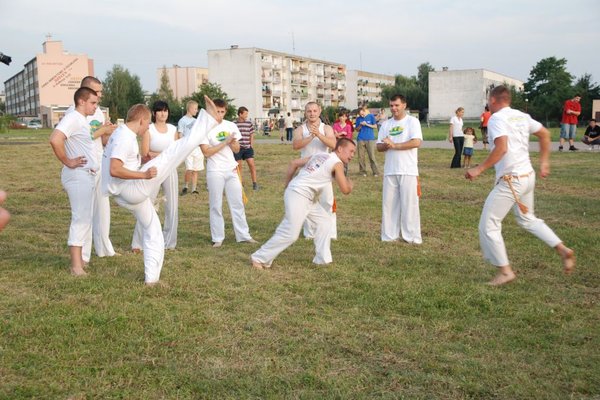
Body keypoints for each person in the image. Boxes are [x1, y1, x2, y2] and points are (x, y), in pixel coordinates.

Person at [465, 85, 575, 286]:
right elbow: (545, 134)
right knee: (527, 219)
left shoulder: (497, 118)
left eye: (489, 100)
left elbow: (502, 148)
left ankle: (505, 272)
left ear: (494, 100)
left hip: (512, 180)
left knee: (489, 224)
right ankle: (563, 250)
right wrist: (544, 162)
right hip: (527, 176)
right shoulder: (521, 116)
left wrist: (479, 169)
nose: (488, 103)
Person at [102, 97, 219, 285]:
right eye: (147, 123)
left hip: (126, 193)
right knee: (174, 152)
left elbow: (111, 154)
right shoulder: (124, 137)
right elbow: (114, 169)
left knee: (153, 230)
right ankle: (209, 119)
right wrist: (145, 175)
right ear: (141, 120)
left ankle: (151, 278)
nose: (148, 128)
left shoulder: (121, 133)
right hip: (132, 189)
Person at [251, 138, 356, 269]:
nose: (352, 155)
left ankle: (322, 259)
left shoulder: (320, 155)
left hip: (304, 196)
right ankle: (259, 258)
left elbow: (294, 163)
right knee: (290, 233)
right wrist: (350, 185)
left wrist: (287, 185)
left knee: (324, 222)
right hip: (299, 195)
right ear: (340, 149)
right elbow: (345, 190)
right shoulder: (337, 163)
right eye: (351, 151)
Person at [66, 76, 118, 262]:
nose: (100, 96)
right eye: (97, 92)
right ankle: (83, 257)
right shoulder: (73, 114)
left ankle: (104, 248)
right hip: (82, 169)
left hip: (98, 165)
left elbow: (99, 140)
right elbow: (72, 137)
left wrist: (108, 132)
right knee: (84, 215)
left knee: (103, 210)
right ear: (85, 93)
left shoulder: (97, 112)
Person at [49, 87, 100, 276]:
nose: (96, 107)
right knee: (80, 218)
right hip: (78, 175)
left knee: (85, 218)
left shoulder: (82, 121)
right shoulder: (73, 118)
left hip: (87, 175)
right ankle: (76, 266)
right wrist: (67, 161)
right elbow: (55, 139)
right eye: (93, 103)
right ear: (81, 101)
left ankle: (81, 261)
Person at [199, 99, 256, 248]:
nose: (219, 114)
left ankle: (243, 235)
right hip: (215, 171)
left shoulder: (231, 126)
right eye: (217, 111)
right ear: (212, 111)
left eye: (222, 111)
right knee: (216, 204)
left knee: (237, 203)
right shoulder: (205, 128)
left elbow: (237, 150)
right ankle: (218, 237)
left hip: (231, 169)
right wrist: (224, 142)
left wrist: (232, 142)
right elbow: (206, 152)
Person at [132, 100, 179, 252]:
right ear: (154, 113)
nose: (163, 113)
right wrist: (166, 155)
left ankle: (169, 242)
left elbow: (177, 151)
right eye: (159, 111)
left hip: (170, 169)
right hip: (152, 170)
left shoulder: (173, 129)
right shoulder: (149, 129)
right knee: (147, 203)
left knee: (172, 205)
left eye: (165, 110)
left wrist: (159, 155)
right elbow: (146, 153)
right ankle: (138, 243)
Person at [376, 94, 423, 244]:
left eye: (396, 105)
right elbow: (378, 147)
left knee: (410, 205)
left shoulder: (412, 122)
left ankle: (412, 236)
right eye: (391, 106)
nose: (394, 108)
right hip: (390, 170)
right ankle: (389, 235)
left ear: (404, 105)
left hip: (408, 170)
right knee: (389, 205)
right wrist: (386, 145)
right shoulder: (386, 125)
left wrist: (395, 145)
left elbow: (416, 142)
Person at [293, 101, 337, 239]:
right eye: (309, 111)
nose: (312, 114)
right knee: (307, 202)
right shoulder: (300, 129)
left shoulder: (327, 128)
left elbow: (333, 144)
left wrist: (318, 134)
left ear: (319, 111)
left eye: (314, 111)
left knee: (327, 201)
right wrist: (311, 136)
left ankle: (330, 232)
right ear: (305, 112)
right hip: (307, 171)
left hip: (324, 170)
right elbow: (296, 145)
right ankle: (310, 233)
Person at [178, 100, 204, 195]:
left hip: (196, 148)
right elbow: (180, 134)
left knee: (195, 169)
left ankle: (194, 189)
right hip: (188, 148)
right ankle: (186, 186)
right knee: (189, 168)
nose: (196, 111)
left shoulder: (196, 121)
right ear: (189, 108)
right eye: (195, 109)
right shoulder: (182, 120)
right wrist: (182, 146)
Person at [234, 106, 259, 190]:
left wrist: (251, 145)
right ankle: (239, 184)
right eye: (245, 114)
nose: (246, 116)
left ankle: (255, 184)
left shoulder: (249, 123)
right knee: (238, 167)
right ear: (240, 114)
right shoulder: (234, 124)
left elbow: (251, 134)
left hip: (248, 148)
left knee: (252, 165)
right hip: (238, 149)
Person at [354, 105, 379, 177]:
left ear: (364, 111)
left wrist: (367, 124)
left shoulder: (371, 116)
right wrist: (360, 125)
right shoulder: (358, 119)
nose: (361, 115)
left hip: (370, 138)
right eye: (360, 114)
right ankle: (362, 172)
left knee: (372, 156)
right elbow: (357, 129)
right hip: (360, 139)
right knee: (361, 157)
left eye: (362, 113)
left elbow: (375, 126)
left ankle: (375, 172)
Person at [332, 110, 354, 175]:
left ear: (346, 118)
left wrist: (338, 135)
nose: (342, 118)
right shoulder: (335, 125)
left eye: (344, 116)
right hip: (336, 145)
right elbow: (333, 135)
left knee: (344, 159)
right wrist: (341, 133)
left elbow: (348, 137)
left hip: (345, 145)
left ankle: (344, 173)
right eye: (341, 116)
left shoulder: (348, 126)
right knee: (335, 159)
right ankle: (335, 173)